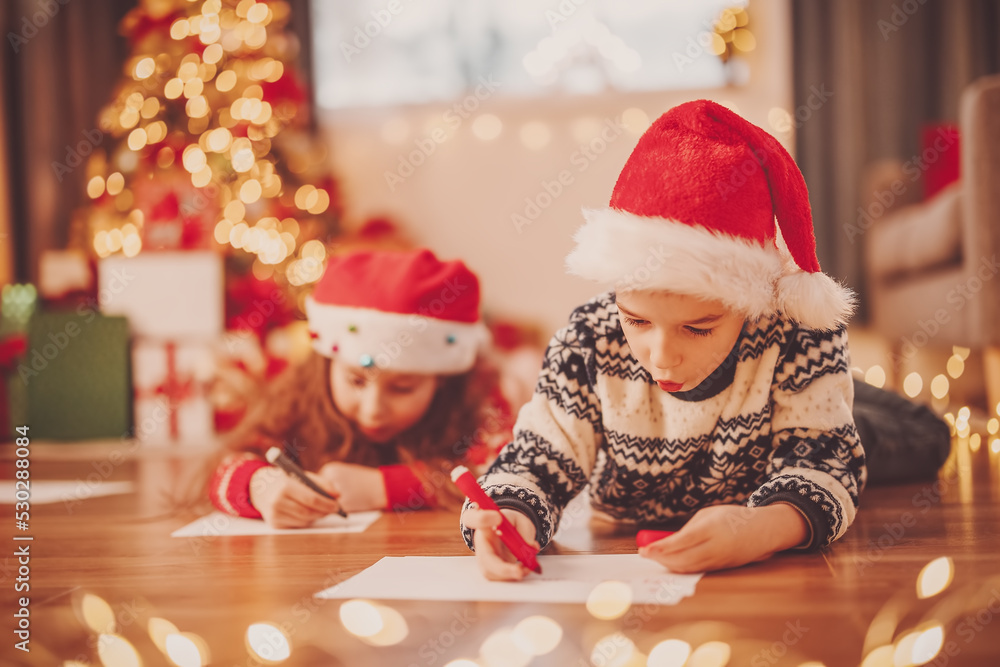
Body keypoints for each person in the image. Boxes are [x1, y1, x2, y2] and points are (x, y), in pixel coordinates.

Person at [460, 100, 950, 580]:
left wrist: (761, 527)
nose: (661, 357)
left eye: (698, 327)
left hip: (792, 421)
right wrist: (509, 516)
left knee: (926, 437)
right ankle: (830, 387)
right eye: (636, 321)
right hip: (749, 421)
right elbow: (538, 456)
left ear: (750, 303)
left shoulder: (798, 333)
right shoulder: (586, 339)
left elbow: (825, 463)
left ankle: (840, 391)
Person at [209, 248, 513, 528]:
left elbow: (508, 469)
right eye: (355, 381)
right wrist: (260, 486)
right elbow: (225, 467)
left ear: (442, 380)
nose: (372, 408)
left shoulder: (475, 399)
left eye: (402, 388)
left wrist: (382, 488)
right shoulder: (299, 396)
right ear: (327, 365)